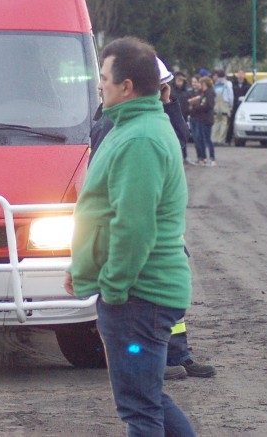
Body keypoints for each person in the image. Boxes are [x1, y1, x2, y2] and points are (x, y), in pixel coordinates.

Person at [65, 36, 196, 436]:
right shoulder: (131, 127)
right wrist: (84, 268)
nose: (98, 83)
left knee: (140, 410)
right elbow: (105, 214)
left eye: (104, 77)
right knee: (147, 398)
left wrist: (115, 289)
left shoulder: (140, 138)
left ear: (127, 86)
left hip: (139, 299)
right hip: (137, 298)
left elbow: (133, 227)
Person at [89, 58, 216, 382]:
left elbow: (177, 139)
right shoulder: (117, 124)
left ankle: (175, 354)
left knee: (165, 295)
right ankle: (152, 359)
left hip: (158, 227)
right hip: (140, 227)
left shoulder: (150, 119)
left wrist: (170, 105)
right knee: (143, 298)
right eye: (161, 89)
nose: (165, 93)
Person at [188, 76, 216, 166]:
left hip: (207, 119)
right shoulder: (203, 93)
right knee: (201, 138)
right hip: (202, 119)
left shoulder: (209, 93)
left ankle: (212, 158)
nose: (199, 84)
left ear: (204, 84)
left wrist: (196, 107)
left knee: (208, 139)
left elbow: (208, 105)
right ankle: (203, 158)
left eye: (200, 83)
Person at [227, 69, 251, 145]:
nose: (240, 75)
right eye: (239, 73)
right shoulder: (232, 84)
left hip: (243, 107)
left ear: (244, 75)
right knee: (231, 122)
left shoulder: (248, 85)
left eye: (242, 74)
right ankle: (228, 139)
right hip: (234, 105)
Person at [211, 69, 234, 146]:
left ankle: (214, 139)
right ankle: (221, 140)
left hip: (216, 105)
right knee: (224, 122)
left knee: (216, 122)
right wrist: (231, 105)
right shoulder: (228, 84)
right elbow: (230, 96)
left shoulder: (215, 84)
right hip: (225, 105)